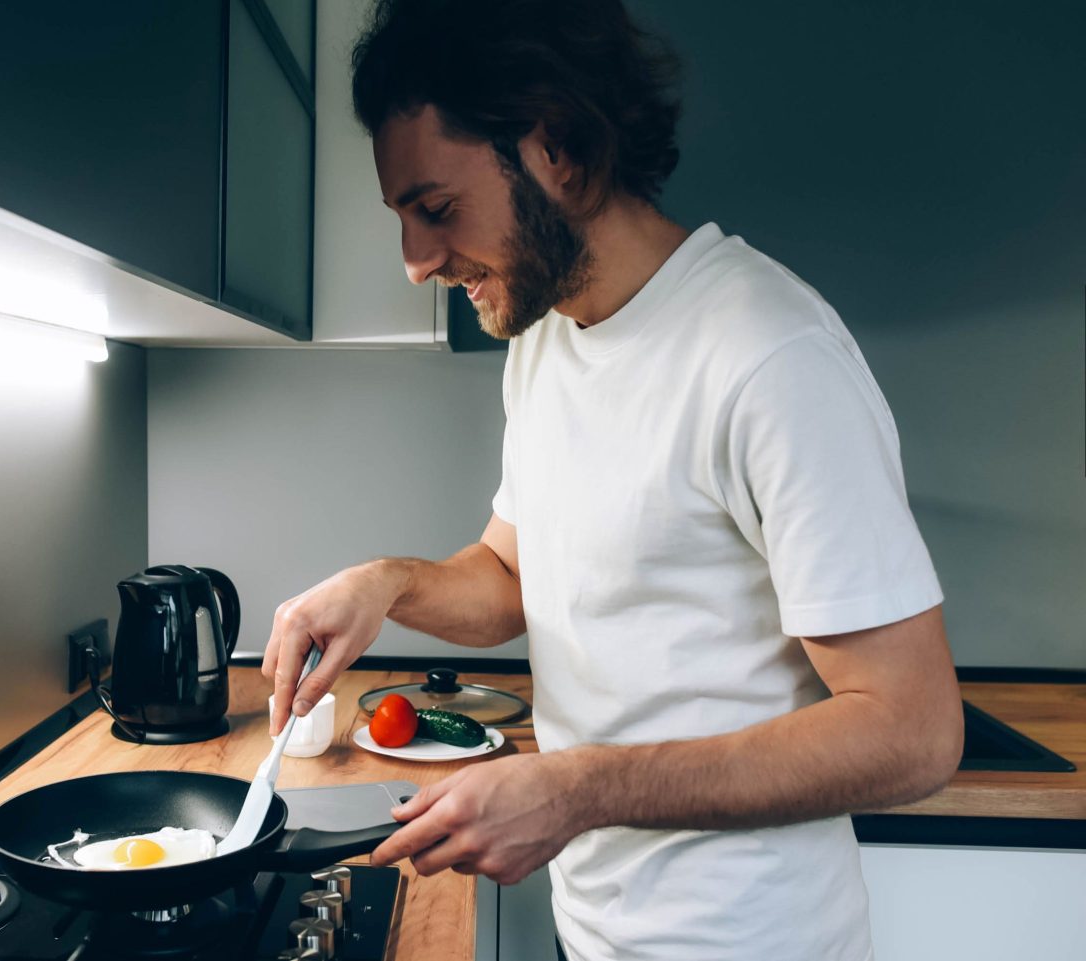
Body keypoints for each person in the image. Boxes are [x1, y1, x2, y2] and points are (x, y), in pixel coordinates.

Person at [261, 1, 963, 958]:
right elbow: (514, 577)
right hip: (593, 934)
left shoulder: (770, 355)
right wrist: (383, 584)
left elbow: (913, 731)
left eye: (437, 209)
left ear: (555, 147)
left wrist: (576, 790)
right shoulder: (546, 337)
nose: (417, 263)